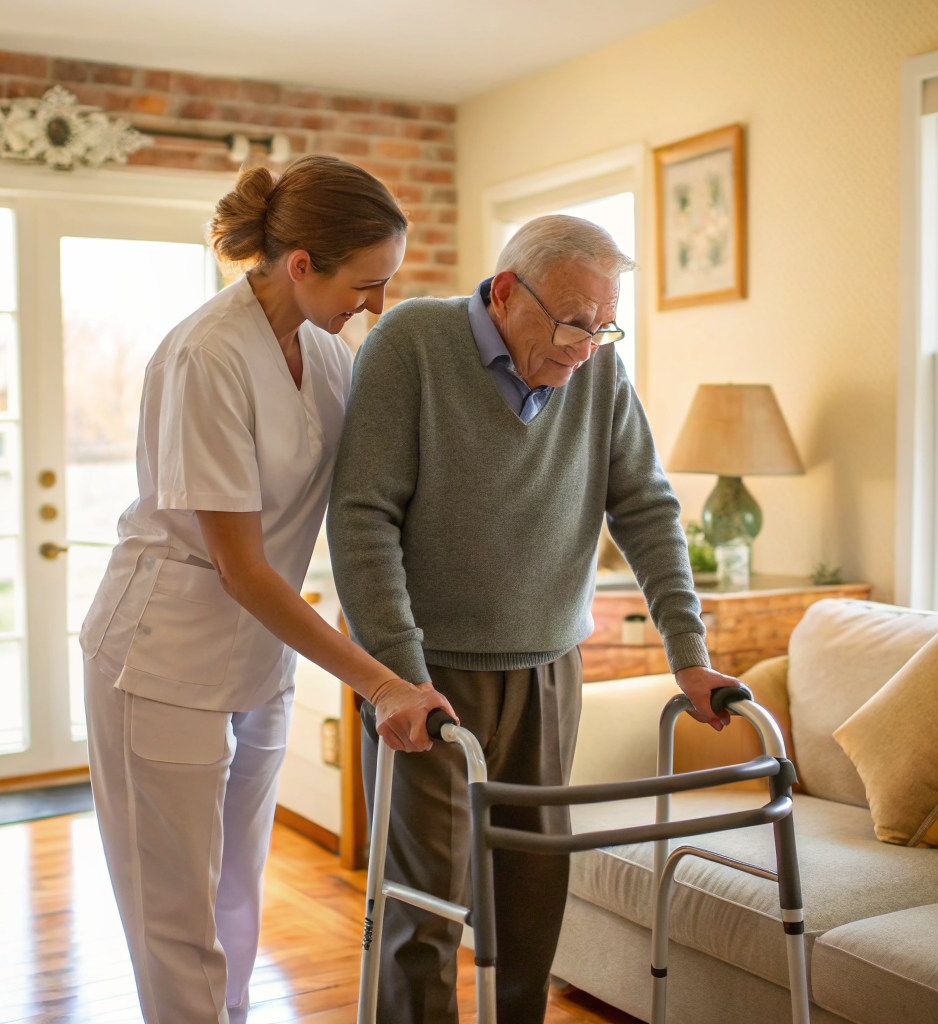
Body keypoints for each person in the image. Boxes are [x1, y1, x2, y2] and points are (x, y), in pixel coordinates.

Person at [327, 214, 744, 1024]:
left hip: (549, 669)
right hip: (428, 676)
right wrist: (396, 674)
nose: (585, 345)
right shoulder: (411, 342)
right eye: (572, 323)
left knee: (528, 894)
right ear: (507, 291)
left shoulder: (595, 370)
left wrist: (687, 654)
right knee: (425, 905)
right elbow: (361, 516)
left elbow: (647, 509)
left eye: (602, 325)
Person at [79, 155, 455, 1024]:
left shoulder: (323, 355)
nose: (375, 305)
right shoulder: (205, 355)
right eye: (366, 283)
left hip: (257, 659)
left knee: (236, 896)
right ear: (300, 265)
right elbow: (241, 568)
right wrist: (377, 679)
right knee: (173, 916)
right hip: (161, 653)